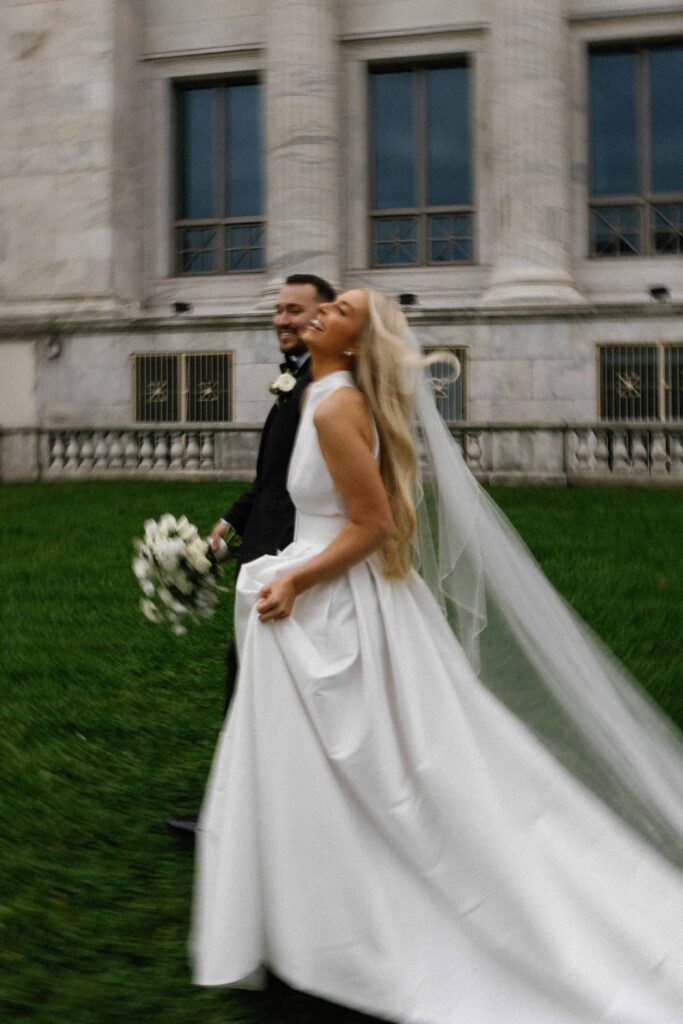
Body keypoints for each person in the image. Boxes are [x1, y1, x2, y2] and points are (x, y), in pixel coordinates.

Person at [191, 289, 683, 1022]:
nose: (320, 314)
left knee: (384, 766)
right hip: (340, 601)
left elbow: (373, 522)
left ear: (355, 344)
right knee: (343, 767)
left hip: (338, 604)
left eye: (340, 312)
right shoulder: (326, 392)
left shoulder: (332, 407)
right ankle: (313, 915)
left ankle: (343, 923)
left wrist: (295, 576)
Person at [167, 273, 335, 838]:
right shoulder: (299, 378)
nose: (282, 319)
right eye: (279, 309)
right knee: (251, 680)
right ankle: (253, 807)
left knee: (263, 684)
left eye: (295, 310)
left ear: (324, 316)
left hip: (291, 559)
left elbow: (310, 487)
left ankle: (247, 816)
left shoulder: (322, 388)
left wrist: (289, 568)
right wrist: (228, 529)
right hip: (267, 550)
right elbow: (273, 479)